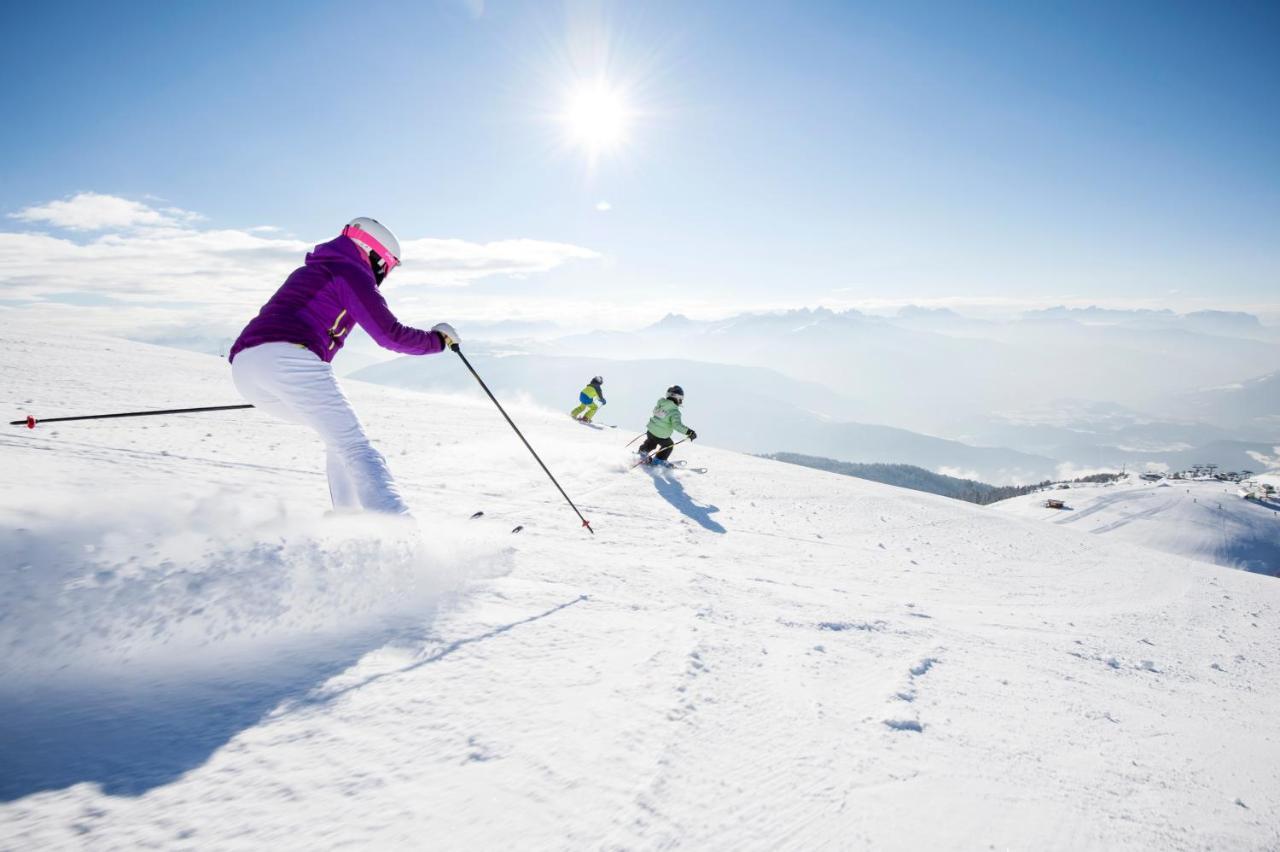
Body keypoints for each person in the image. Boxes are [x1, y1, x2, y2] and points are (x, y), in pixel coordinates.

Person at [229, 217, 459, 516]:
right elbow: (390, 335)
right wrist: (438, 341)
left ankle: (348, 520)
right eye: (387, 267)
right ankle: (398, 532)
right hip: (287, 360)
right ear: (376, 256)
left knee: (337, 439)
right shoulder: (351, 272)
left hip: (246, 367)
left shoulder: (312, 270)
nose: (384, 274)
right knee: (355, 446)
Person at [637, 385, 697, 466]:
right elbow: (677, 426)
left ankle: (642, 452)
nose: (681, 402)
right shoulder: (674, 412)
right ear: (678, 398)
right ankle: (658, 461)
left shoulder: (661, 405)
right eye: (681, 400)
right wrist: (689, 432)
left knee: (651, 442)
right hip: (661, 435)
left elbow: (656, 413)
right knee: (668, 445)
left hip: (650, 431)